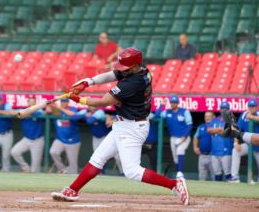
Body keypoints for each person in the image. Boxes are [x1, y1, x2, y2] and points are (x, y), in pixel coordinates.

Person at [51, 47, 189, 205]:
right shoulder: (141, 70)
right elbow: (113, 74)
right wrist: (88, 82)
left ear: (135, 66)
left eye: (126, 68)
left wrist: (80, 100)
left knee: (132, 171)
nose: (122, 70)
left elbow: (105, 101)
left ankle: (175, 185)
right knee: (97, 159)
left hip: (133, 128)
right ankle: (73, 189)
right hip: (124, 124)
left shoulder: (132, 83)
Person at [228, 99, 259, 183]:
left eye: (253, 106)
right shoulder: (244, 115)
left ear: (257, 107)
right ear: (247, 107)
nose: (251, 108)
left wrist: (251, 117)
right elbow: (236, 129)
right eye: (250, 106)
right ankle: (235, 177)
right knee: (235, 151)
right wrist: (236, 143)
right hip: (250, 144)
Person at [155, 95, 193, 178]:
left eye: (174, 102)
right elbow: (157, 115)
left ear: (178, 103)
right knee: (175, 158)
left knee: (180, 150)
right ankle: (178, 174)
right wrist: (162, 105)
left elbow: (190, 125)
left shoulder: (184, 111)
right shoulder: (168, 112)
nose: (173, 104)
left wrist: (185, 136)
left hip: (184, 137)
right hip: (173, 137)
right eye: (172, 102)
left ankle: (180, 172)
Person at [81, 106, 123, 174]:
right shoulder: (87, 112)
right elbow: (75, 116)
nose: (92, 107)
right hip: (96, 138)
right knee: (97, 156)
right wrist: (85, 115)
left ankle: (123, 173)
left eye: (93, 106)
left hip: (106, 138)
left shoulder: (100, 113)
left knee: (117, 156)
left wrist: (109, 118)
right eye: (90, 106)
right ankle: (101, 172)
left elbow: (90, 120)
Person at [10, 97, 44, 173]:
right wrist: (20, 112)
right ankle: (25, 167)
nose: (31, 103)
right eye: (30, 102)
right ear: (28, 103)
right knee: (14, 152)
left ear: (36, 103)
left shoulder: (40, 111)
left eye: (33, 102)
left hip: (37, 140)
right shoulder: (23, 110)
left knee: (34, 169)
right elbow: (12, 112)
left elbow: (40, 113)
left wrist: (25, 112)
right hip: (26, 139)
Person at [48, 98, 82, 174]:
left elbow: (73, 115)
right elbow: (47, 111)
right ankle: (62, 169)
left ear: (68, 102)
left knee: (73, 166)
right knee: (53, 152)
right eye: (62, 101)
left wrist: (61, 109)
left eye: (65, 102)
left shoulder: (72, 108)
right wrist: (50, 109)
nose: (63, 103)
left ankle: (72, 181)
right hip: (60, 139)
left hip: (73, 140)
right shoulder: (56, 110)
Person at [207, 102, 233, 181]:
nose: (224, 110)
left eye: (226, 108)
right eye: (222, 108)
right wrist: (219, 130)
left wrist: (215, 131)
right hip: (214, 151)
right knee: (217, 173)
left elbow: (226, 132)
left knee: (227, 173)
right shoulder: (214, 120)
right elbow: (209, 130)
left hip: (226, 151)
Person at [193, 111, 214, 181]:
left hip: (212, 155)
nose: (207, 118)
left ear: (213, 117)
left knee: (215, 177)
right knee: (201, 178)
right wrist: (195, 147)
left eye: (209, 116)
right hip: (202, 155)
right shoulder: (201, 127)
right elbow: (196, 137)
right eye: (206, 116)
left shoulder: (216, 126)